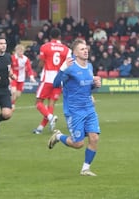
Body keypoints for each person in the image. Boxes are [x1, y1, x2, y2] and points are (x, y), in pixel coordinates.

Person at [48, 38, 101, 176]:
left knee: (94, 138)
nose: (85, 51)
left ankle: (85, 169)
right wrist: (62, 68)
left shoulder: (89, 66)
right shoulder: (70, 67)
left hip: (89, 108)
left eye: (86, 48)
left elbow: (87, 87)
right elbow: (55, 84)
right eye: (82, 49)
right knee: (78, 144)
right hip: (74, 110)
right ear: (75, 53)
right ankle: (59, 136)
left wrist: (95, 85)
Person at [33, 28, 71, 134]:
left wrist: (37, 69)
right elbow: (68, 65)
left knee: (38, 102)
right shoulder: (66, 49)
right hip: (59, 79)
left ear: (50, 36)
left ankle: (51, 117)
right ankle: (40, 128)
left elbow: (41, 61)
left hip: (48, 78)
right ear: (59, 36)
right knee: (51, 103)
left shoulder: (45, 47)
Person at [10, 44, 36, 109]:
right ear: (16, 51)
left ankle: (10, 101)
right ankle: (12, 105)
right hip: (13, 77)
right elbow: (8, 68)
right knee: (13, 91)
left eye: (22, 51)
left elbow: (29, 69)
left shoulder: (25, 59)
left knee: (18, 95)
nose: (20, 53)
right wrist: (10, 75)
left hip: (21, 78)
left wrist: (31, 77)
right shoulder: (12, 58)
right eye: (19, 51)